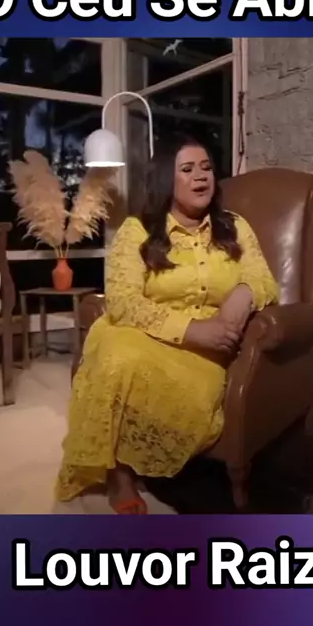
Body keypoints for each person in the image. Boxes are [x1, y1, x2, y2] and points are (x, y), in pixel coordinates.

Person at [55, 134, 279, 513]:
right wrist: (192, 329)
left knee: (176, 389)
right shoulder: (137, 231)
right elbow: (123, 302)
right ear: (165, 179)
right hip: (148, 335)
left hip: (207, 352)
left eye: (206, 168)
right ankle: (120, 476)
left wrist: (241, 297)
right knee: (115, 349)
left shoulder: (234, 227)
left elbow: (263, 279)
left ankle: (145, 457)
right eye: (187, 169)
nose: (201, 176)